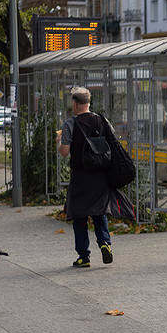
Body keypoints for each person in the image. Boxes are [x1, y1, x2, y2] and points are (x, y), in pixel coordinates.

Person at [58, 87, 113, 268]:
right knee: (99, 212)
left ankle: (84, 256)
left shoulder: (70, 124)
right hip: (100, 176)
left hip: (80, 176)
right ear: (89, 103)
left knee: (79, 216)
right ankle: (105, 242)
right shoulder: (102, 121)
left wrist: (59, 142)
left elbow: (65, 152)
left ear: (75, 104)